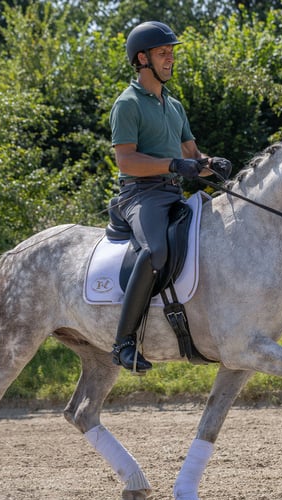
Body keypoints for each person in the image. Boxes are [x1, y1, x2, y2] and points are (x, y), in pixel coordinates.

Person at [109, 21, 232, 373]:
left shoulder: (173, 106)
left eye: (171, 54)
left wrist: (212, 166)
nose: (170, 60)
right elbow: (126, 159)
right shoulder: (127, 104)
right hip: (140, 195)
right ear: (142, 59)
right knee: (154, 251)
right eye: (163, 54)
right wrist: (176, 164)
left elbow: (192, 154)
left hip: (172, 192)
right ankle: (124, 343)